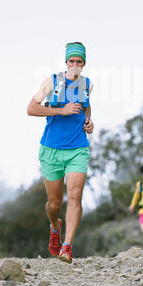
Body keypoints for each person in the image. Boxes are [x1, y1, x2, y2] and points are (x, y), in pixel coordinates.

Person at [27, 42, 94, 264]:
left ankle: (67, 246)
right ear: (66, 62)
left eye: (79, 62)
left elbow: (86, 106)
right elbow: (31, 108)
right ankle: (55, 226)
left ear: (84, 63)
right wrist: (61, 110)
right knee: (54, 204)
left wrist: (88, 120)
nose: (75, 65)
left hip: (78, 149)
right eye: (71, 61)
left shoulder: (87, 85)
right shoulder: (52, 82)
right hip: (51, 150)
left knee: (75, 197)